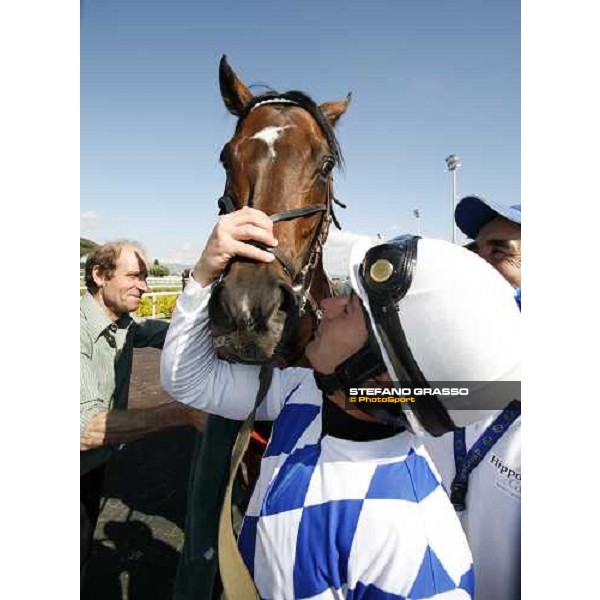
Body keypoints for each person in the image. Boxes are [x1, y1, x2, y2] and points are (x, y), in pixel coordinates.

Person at [161, 207, 521, 599]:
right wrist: (203, 275)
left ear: (381, 372)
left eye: (348, 307)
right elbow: (190, 379)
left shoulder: (419, 558)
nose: (327, 307)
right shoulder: (305, 393)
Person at [80, 240, 199, 582]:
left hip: (91, 467)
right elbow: (83, 427)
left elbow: (159, 332)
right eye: (134, 276)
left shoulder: (123, 325)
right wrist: (181, 413)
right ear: (99, 275)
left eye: (146, 278)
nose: (145, 287)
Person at [424, 195, 522, 600]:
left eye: (498, 252)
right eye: (474, 251)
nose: (478, 264)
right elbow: (377, 401)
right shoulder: (444, 367)